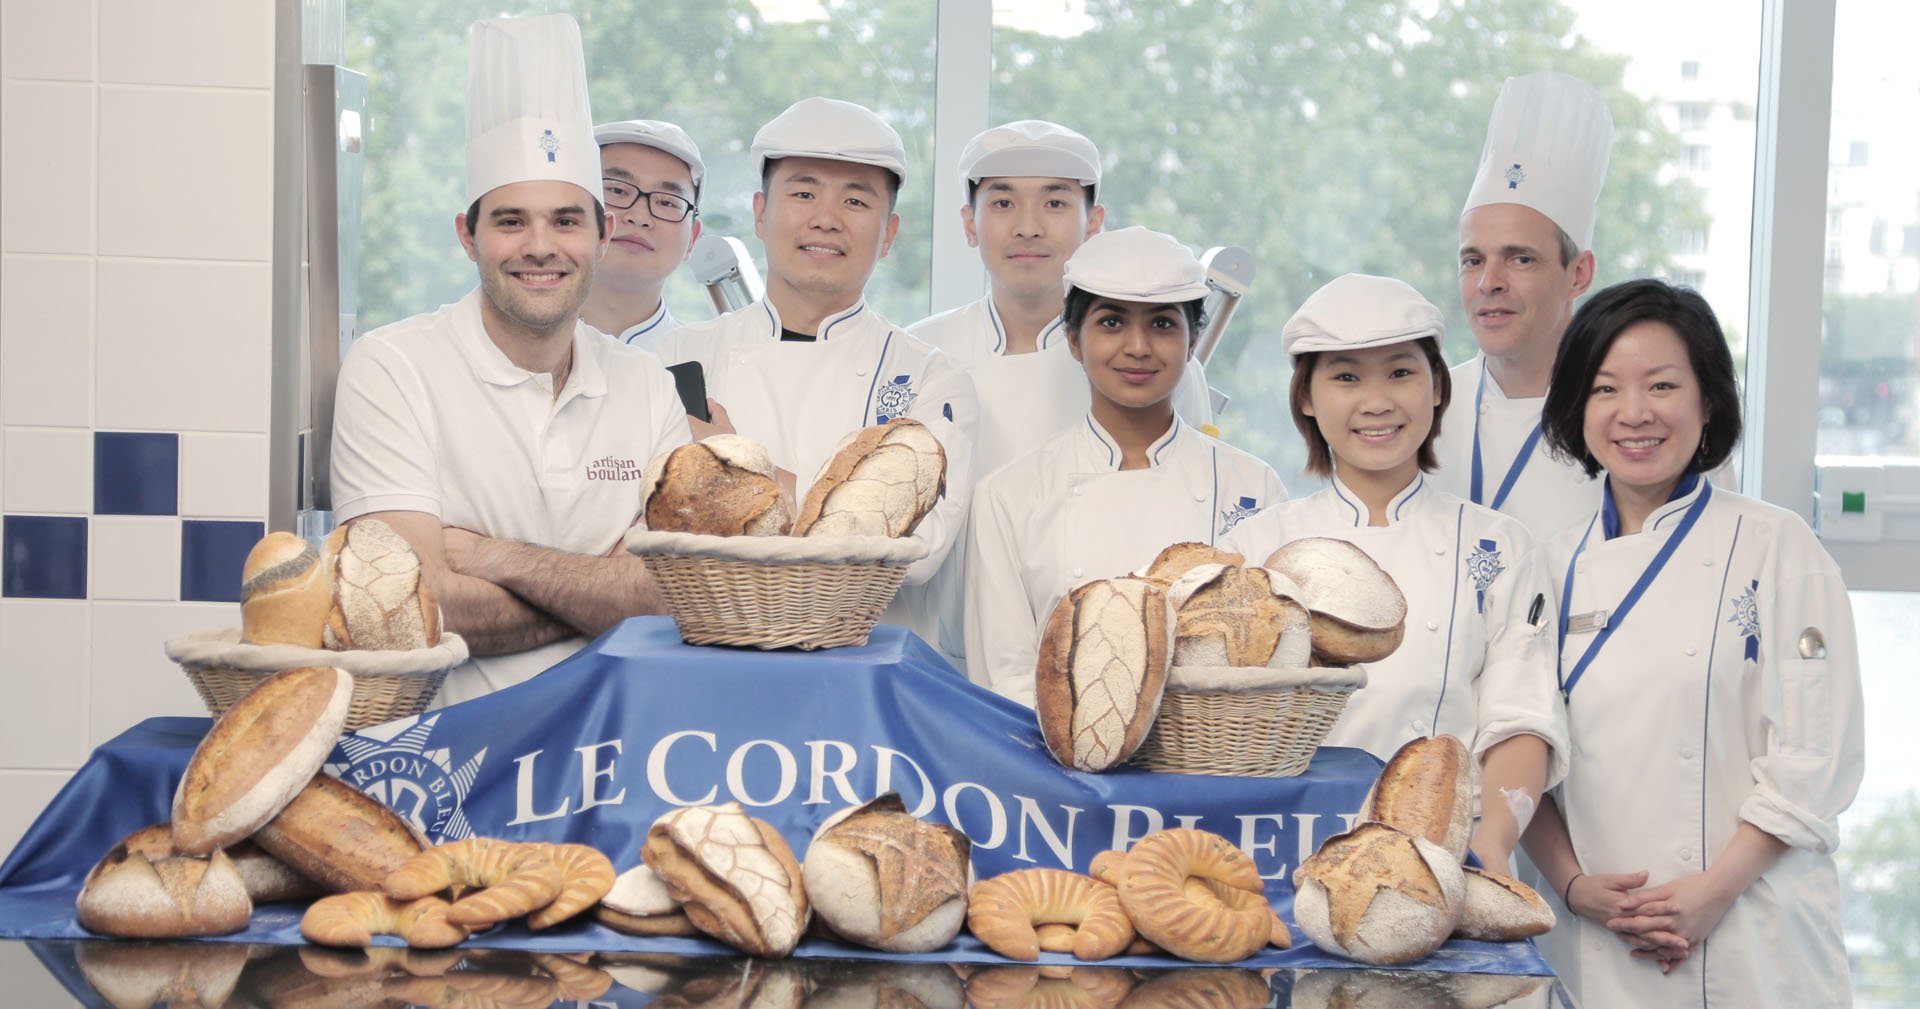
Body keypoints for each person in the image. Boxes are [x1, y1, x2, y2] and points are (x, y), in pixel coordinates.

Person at [1521, 278, 1863, 1008]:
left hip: (1750, 936)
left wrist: (1711, 892)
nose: (1634, 413)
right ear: (1576, 407)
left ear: (1708, 401)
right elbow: (1520, 752)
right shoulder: (1546, 567)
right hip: (1601, 941)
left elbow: (1815, 758)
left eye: (1663, 385)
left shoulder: (1778, 548)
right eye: (1606, 388)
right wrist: (1576, 887)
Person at [330, 14, 690, 704]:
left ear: (602, 234)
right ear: (468, 234)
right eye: (510, 220)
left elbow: (670, 594)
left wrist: (491, 555)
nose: (539, 245)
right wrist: (598, 590)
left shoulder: (646, 385)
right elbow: (409, 609)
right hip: (439, 759)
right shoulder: (392, 368)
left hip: (609, 756)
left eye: (565, 219)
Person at [1221, 273, 1565, 870]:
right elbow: (1230, 730)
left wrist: (1490, 846)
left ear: (1438, 388)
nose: (1376, 401)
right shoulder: (1256, 547)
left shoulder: (1500, 546)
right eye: (1346, 376)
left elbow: (1521, 718)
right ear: (1306, 396)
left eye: (1401, 372)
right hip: (1282, 854)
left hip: (1450, 854)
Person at [645, 97, 977, 646]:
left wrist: (736, 470)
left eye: (855, 199)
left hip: (864, 696)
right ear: (759, 213)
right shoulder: (676, 360)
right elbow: (650, 534)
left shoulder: (931, 380)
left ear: (889, 233)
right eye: (802, 193)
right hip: (705, 675)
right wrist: (853, 505)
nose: (825, 217)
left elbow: (919, 554)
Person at [910, 121, 1213, 671]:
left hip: (1110, 663)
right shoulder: (920, 354)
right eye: (1002, 203)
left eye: (1054, 202)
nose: (1027, 227)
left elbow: (1187, 504)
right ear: (969, 224)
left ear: (1093, 224)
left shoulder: (1146, 369)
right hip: (940, 662)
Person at [966, 227, 1284, 706]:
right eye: (1112, 323)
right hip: (1056, 769)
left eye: (1162, 325)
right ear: (1074, 340)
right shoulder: (1009, 497)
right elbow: (1004, 680)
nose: (1138, 347)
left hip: (1210, 765)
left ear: (1193, 339)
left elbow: (1272, 660)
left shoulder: (1254, 487)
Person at [1431, 72, 1612, 540]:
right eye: (1473, 261)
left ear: (1579, 274)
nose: (1490, 283)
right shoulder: (1422, 410)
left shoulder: (1629, 418)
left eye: (1520, 258)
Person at [580, 119, 705, 344]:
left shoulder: (711, 367)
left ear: (692, 239)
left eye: (667, 203)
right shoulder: (502, 344)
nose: (639, 217)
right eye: (617, 190)